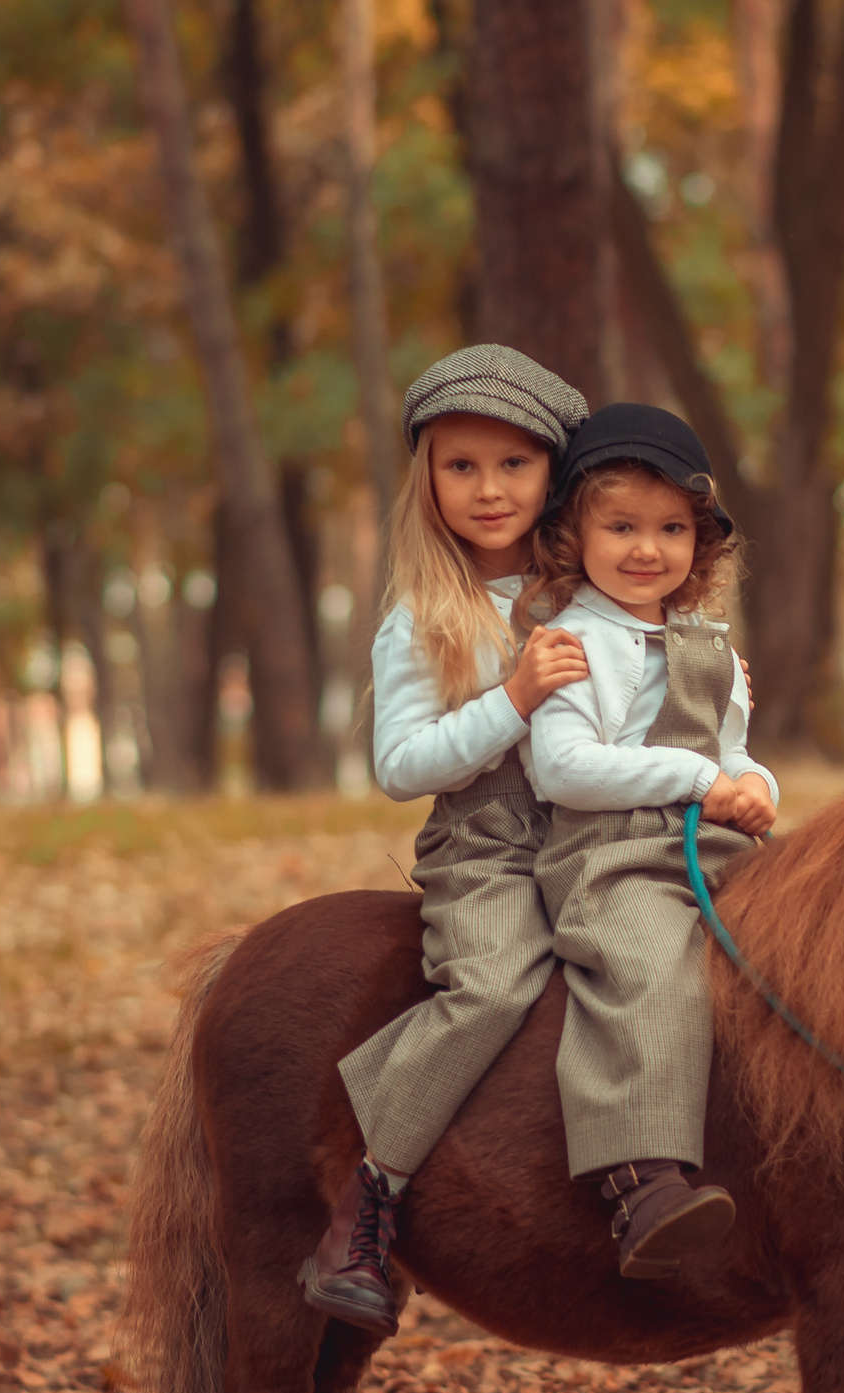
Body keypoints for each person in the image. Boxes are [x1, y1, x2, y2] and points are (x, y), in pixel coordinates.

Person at [303, 346, 592, 1336]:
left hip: (600, 829)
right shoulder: (423, 616)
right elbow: (403, 765)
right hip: (490, 843)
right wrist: (512, 697)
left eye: (513, 464)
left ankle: (651, 1169)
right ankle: (367, 1195)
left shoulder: (593, 595)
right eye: (461, 464)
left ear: (553, 472)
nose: (488, 488)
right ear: (427, 477)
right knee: (494, 985)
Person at [524, 404, 778, 1279]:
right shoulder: (574, 641)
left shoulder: (709, 644)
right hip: (609, 852)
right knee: (651, 961)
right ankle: (639, 1178)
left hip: (711, 845)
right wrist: (700, 782)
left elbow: (732, 752)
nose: (648, 549)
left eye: (672, 528)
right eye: (622, 525)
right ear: (573, 533)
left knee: (809, 935)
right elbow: (564, 769)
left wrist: (754, 791)